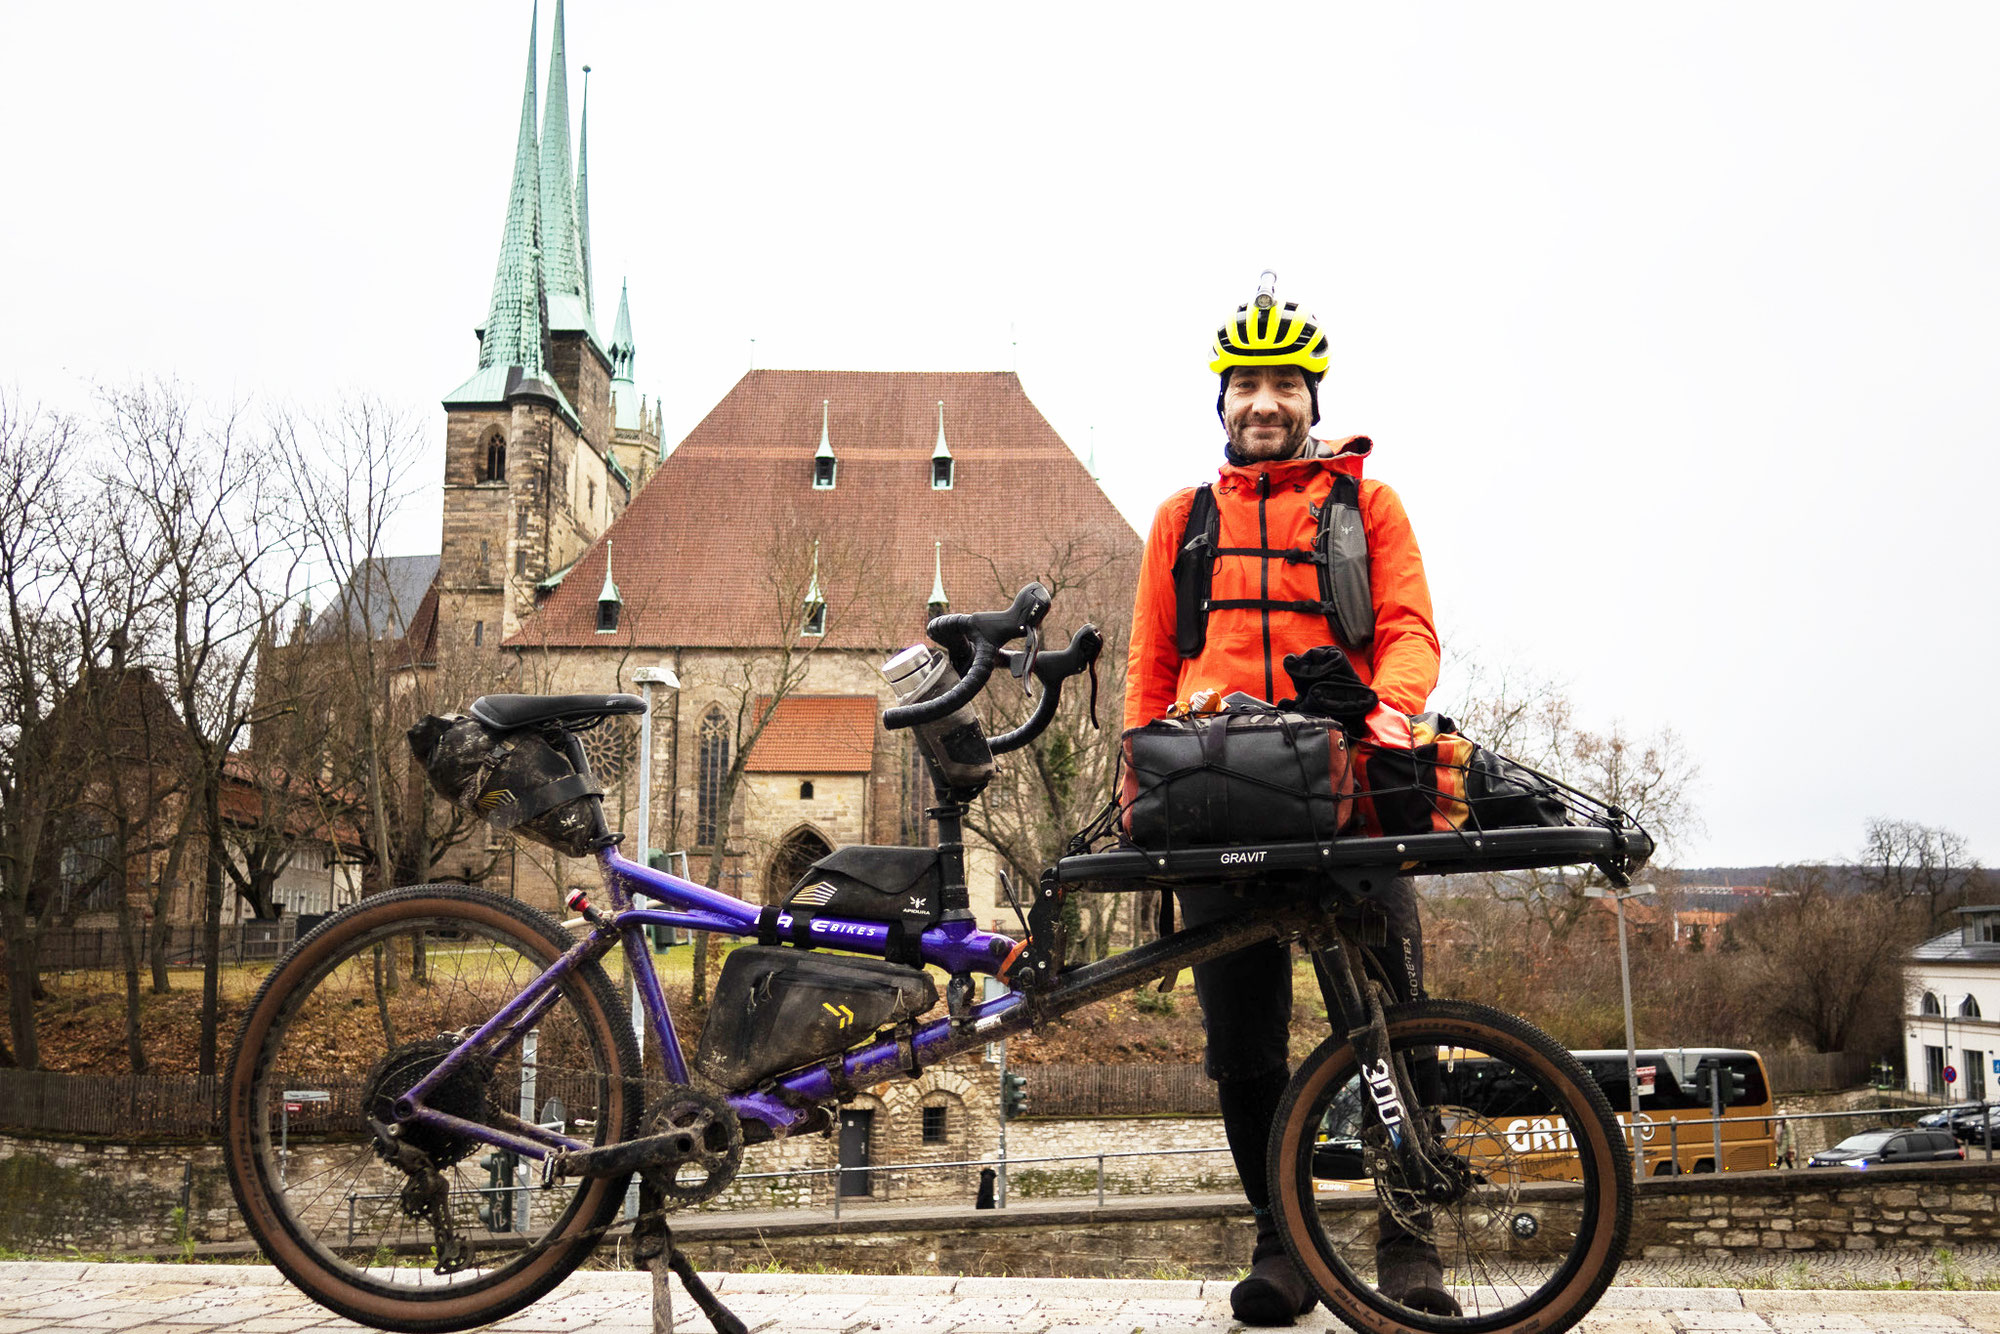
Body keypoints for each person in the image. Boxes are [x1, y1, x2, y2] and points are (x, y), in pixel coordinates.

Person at [1124, 275, 1447, 1324]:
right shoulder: (1180, 520)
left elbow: (1406, 626)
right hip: (1211, 802)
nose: (1263, 402)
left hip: (1343, 795)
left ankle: (1407, 1246)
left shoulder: (1366, 505)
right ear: (1219, 404)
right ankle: (1282, 1243)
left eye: (1282, 385)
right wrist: (1139, 790)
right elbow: (1149, 664)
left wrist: (1393, 707)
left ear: (1310, 400)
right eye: (1244, 385)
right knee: (1243, 1045)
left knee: (1399, 1025)